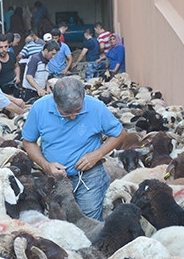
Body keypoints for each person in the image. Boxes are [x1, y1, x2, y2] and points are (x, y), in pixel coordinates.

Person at [22, 76, 126, 221]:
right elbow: (28, 141)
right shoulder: (40, 108)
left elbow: (119, 133)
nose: (72, 117)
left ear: (83, 98)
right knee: (60, 223)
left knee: (88, 224)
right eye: (66, 112)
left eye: (77, 111)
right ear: (55, 101)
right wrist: (46, 165)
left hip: (89, 177)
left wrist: (97, 154)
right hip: (55, 179)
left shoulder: (96, 107)